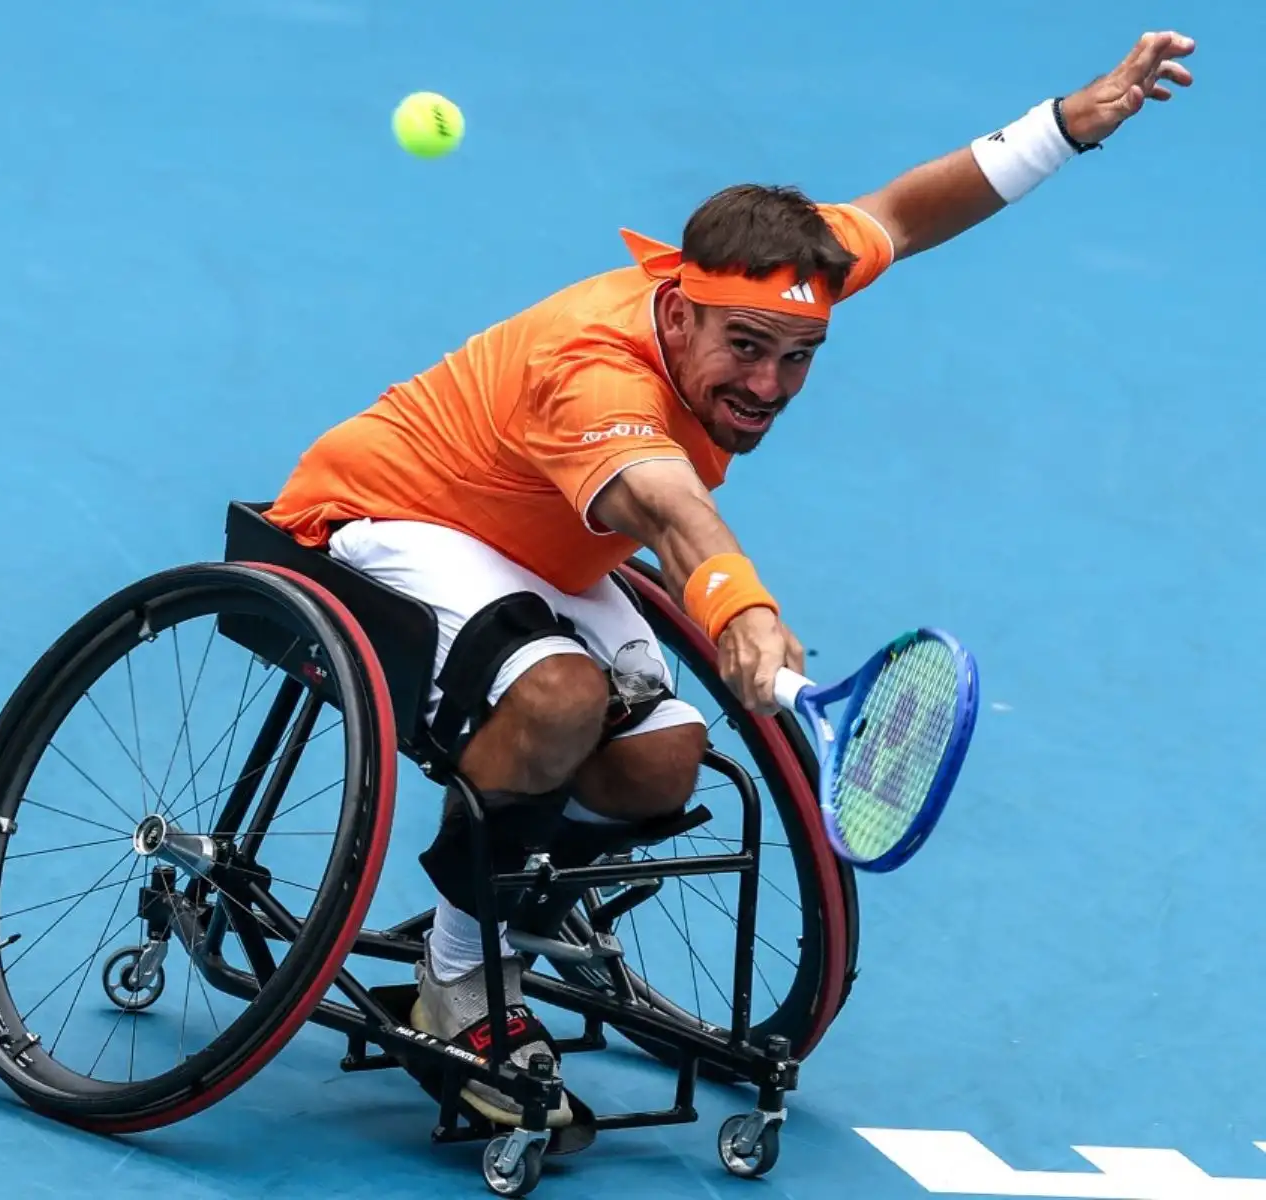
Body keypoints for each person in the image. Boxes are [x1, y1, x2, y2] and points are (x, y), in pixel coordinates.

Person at [265, 30, 1194, 1128]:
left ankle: (506, 895)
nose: (770, 385)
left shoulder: (783, 282)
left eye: (798, 357)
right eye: (745, 349)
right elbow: (671, 509)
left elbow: (901, 213)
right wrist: (744, 611)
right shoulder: (594, 369)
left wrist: (1067, 125)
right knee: (559, 697)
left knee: (660, 765)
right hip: (389, 522)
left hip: (544, 551)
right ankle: (459, 975)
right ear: (677, 310)